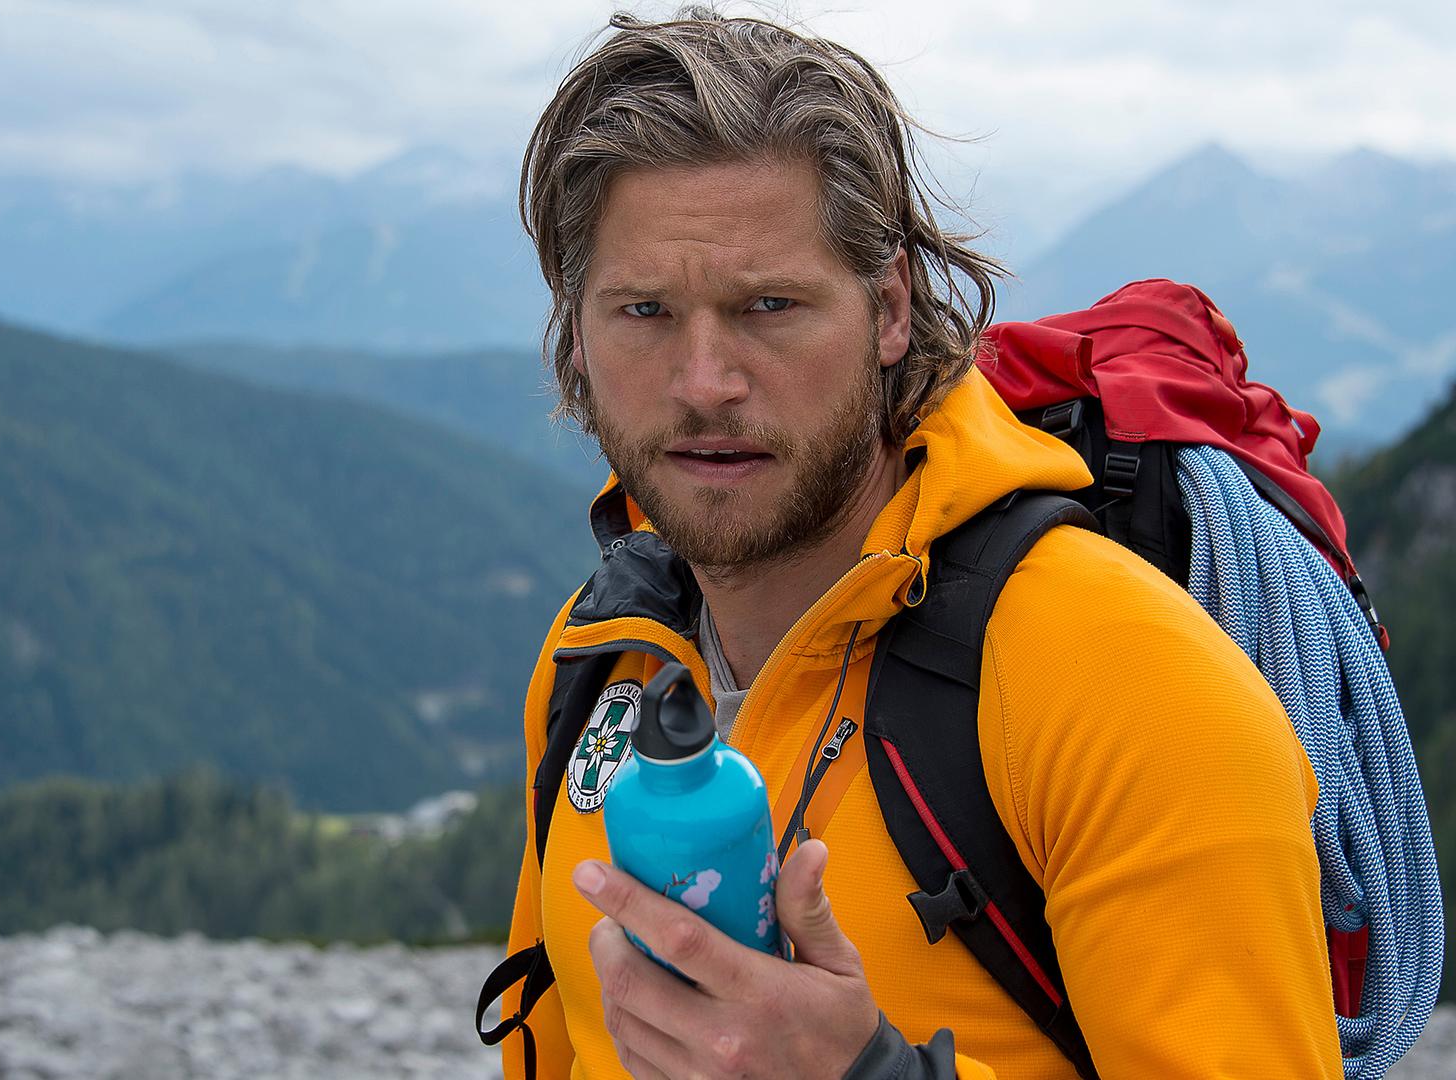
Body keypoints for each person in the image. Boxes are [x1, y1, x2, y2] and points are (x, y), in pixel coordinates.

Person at [498, 8, 1338, 1078]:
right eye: (645, 311)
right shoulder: (601, 659)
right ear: (577, 330)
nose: (705, 381)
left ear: (890, 307)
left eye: (769, 304)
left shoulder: (1125, 681)